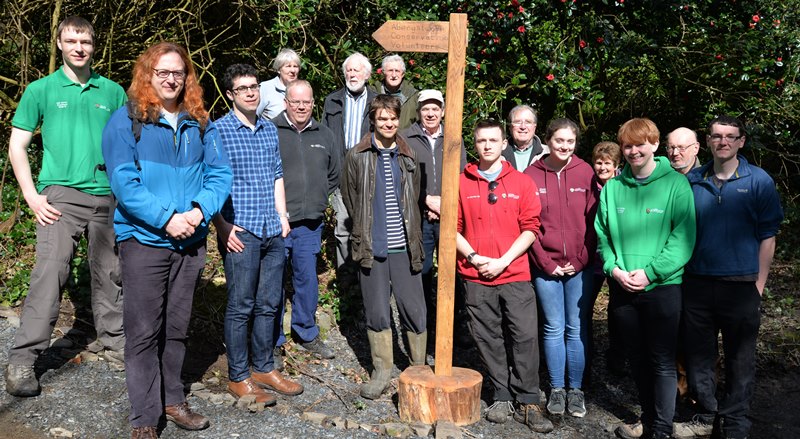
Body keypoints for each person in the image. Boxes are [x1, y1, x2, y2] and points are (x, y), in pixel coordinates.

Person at [101, 42, 232, 438]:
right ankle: (144, 417)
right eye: (163, 72)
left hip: (189, 242)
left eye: (178, 72)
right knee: (143, 331)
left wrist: (197, 212)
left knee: (177, 328)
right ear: (148, 75)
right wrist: (166, 219)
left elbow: (220, 175)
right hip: (143, 240)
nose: (171, 79)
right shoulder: (126, 121)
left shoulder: (200, 123)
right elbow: (125, 183)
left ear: (187, 77)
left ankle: (173, 400)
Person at [5, 16, 127, 398]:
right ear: (59, 43)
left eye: (86, 42)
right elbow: (17, 146)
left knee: (111, 272)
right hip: (60, 197)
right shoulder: (40, 90)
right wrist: (30, 195)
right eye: (72, 40)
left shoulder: (113, 92)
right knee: (50, 273)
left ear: (94, 46)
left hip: (108, 195)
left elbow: (127, 147)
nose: (79, 47)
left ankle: (115, 340)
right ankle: (24, 359)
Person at [683, 116, 783, 439]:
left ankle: (735, 421)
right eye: (716, 136)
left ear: (741, 141)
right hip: (697, 284)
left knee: (741, 360)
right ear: (708, 141)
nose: (723, 141)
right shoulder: (692, 181)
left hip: (742, 285)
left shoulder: (759, 181)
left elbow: (768, 236)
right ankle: (707, 414)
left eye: (730, 136)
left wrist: (759, 286)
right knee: (699, 359)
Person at [595, 118, 696, 439]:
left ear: (654, 145)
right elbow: (602, 236)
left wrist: (651, 273)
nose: (634, 150)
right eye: (627, 145)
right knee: (637, 360)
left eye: (640, 144)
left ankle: (661, 429)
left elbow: (683, 238)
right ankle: (648, 419)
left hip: (663, 289)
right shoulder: (613, 188)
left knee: (662, 361)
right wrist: (613, 268)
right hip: (623, 286)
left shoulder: (676, 185)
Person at [213, 64, 303, 407]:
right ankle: (239, 376)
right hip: (242, 231)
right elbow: (210, 181)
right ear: (230, 95)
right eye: (243, 89)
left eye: (254, 87)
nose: (251, 93)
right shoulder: (218, 131)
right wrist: (221, 227)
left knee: (269, 304)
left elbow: (277, 174)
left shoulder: (268, 128)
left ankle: (264, 367)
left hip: (272, 229)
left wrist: (283, 215)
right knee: (241, 305)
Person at [456, 119, 553, 433]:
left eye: (493, 140)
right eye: (482, 140)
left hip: (514, 272)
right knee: (487, 336)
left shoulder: (522, 182)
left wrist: (503, 261)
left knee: (525, 336)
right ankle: (501, 393)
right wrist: (474, 257)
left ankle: (527, 399)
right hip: (475, 272)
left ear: (502, 144)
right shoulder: (461, 181)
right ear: (475, 144)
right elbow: (452, 229)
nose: (487, 146)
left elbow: (531, 229)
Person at [340, 95, 426, 400]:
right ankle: (382, 370)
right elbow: (351, 197)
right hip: (372, 247)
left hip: (404, 246)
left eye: (392, 119)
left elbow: (414, 197)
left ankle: (417, 366)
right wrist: (366, 230)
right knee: (377, 310)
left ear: (398, 119)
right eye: (381, 119)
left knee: (414, 308)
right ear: (373, 122)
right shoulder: (356, 155)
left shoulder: (409, 154)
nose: (387, 124)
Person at [524, 118, 597, 418]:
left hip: (582, 265)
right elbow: (528, 223)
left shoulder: (586, 172)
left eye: (570, 142)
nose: (564, 147)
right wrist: (545, 262)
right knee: (553, 327)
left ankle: (576, 389)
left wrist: (580, 260)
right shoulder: (531, 174)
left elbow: (595, 222)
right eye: (559, 141)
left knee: (576, 327)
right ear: (548, 141)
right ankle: (556, 388)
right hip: (546, 266)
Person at [272, 79, 340, 361]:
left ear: (313, 103)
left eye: (306, 101)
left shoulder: (324, 134)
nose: (301, 106)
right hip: (277, 221)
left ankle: (306, 332)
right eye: (295, 101)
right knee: (273, 281)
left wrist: (318, 199)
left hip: (310, 222)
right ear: (286, 102)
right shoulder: (270, 131)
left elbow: (334, 173)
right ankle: (273, 340)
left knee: (306, 279)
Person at [401, 89, 468, 345]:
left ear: (442, 111)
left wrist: (445, 203)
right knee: (422, 271)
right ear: (418, 112)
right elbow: (404, 178)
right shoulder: (406, 138)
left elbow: (461, 175)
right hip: (419, 216)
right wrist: (426, 200)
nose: (430, 113)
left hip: (450, 216)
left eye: (435, 108)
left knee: (453, 272)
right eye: (426, 109)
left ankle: (455, 327)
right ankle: (423, 328)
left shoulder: (454, 139)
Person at [322, 52, 377, 269]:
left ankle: (367, 272)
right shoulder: (332, 100)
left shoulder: (377, 102)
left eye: (357, 70)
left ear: (367, 74)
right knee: (343, 229)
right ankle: (346, 275)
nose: (352, 74)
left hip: (368, 173)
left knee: (367, 226)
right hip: (340, 173)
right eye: (349, 70)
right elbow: (325, 136)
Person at [588, 142, 626, 378]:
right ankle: (585, 359)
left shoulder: (624, 186)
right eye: (598, 163)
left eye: (607, 164)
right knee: (585, 310)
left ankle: (618, 357)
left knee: (618, 310)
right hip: (592, 258)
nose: (602, 168)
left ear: (617, 165)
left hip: (618, 258)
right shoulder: (587, 186)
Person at [371, 54, 419, 129]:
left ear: (402, 74)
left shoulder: (413, 96)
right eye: (390, 70)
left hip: (405, 140)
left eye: (397, 71)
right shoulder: (373, 93)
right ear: (383, 73)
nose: (394, 75)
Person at [502, 105, 549, 172]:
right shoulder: (498, 154)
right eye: (518, 122)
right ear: (510, 127)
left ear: (534, 127)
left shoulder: (548, 153)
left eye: (528, 122)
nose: (523, 127)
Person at [257, 48, 301, 119]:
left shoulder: (302, 89)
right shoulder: (265, 88)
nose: (292, 70)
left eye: (295, 66)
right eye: (288, 66)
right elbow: (253, 117)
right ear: (279, 69)